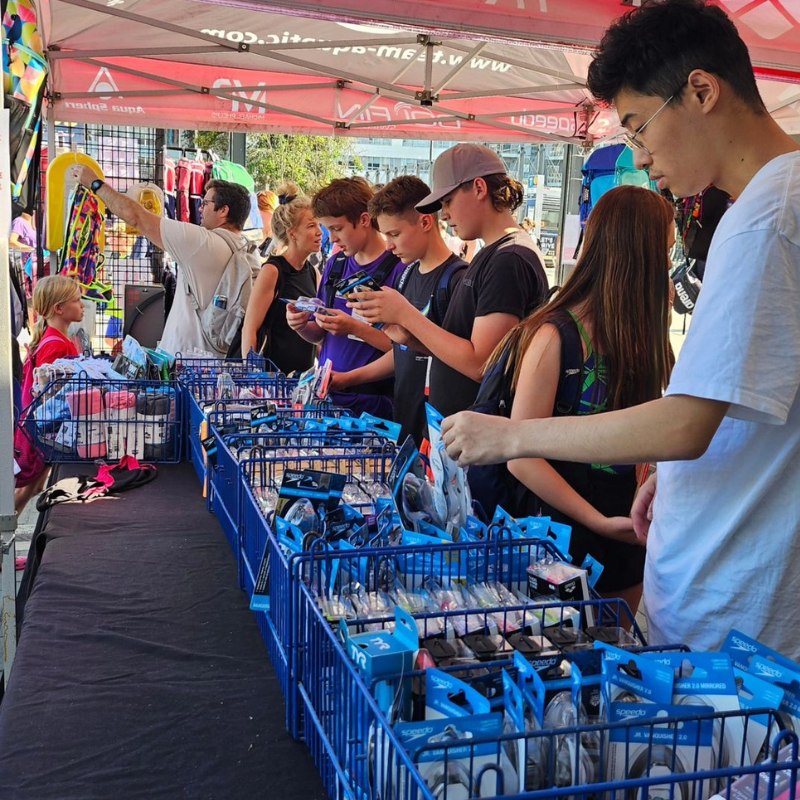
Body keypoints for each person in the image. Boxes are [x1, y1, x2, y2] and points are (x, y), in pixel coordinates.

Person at [442, 0, 800, 657]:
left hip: (723, 602)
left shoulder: (766, 218)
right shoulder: (777, 203)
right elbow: (751, 405)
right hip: (728, 570)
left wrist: (512, 435)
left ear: (700, 91)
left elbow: (686, 423)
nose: (640, 155)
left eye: (638, 127)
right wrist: (682, 471)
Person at [493, 185, 674, 613]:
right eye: (664, 252)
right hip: (561, 531)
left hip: (627, 526)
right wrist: (597, 522)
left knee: (617, 657)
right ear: (638, 254)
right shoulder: (555, 333)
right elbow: (521, 453)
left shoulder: (643, 332)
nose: (668, 265)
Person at [353, 144, 548, 421]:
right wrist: (410, 338)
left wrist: (405, 314)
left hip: (480, 434)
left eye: (447, 202)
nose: (444, 214)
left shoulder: (510, 258)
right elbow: (461, 350)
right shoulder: (495, 253)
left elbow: (482, 363)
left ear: (479, 189)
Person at [330, 176, 467, 445]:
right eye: (385, 235)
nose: (389, 246)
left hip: (438, 427)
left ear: (426, 222)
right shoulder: (407, 275)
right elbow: (401, 352)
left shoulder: (456, 279)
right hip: (403, 417)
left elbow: (460, 359)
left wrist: (404, 317)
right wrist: (347, 379)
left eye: (394, 234)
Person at [74, 166, 260, 356]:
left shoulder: (202, 243)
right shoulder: (249, 252)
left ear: (223, 211)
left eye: (205, 203)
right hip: (219, 363)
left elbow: (136, 217)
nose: (200, 208)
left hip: (185, 362)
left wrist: (95, 183)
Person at [286, 177, 405, 418]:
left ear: (363, 220)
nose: (331, 239)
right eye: (326, 230)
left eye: (337, 229)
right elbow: (321, 335)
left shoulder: (399, 269)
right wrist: (301, 326)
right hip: (329, 396)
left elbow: (404, 348)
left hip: (373, 403)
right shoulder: (335, 264)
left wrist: (355, 328)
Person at [15, 275, 84, 514]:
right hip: (43, 428)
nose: (82, 305)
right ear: (59, 308)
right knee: (27, 488)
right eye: (77, 300)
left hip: (40, 427)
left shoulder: (55, 339)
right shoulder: (58, 345)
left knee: (32, 488)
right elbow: (47, 392)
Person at [239, 196, 320, 373]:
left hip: (301, 376)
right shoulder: (273, 270)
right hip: (271, 376)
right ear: (292, 234)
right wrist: (252, 376)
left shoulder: (314, 273)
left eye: (319, 225)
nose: (319, 232)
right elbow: (250, 328)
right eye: (311, 226)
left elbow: (318, 334)